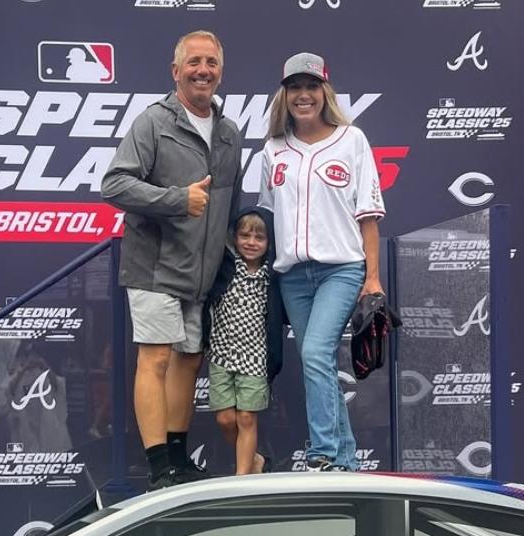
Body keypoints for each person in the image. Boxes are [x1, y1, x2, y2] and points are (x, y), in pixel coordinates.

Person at [101, 31, 243, 490]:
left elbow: (230, 205)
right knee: (157, 357)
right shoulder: (153, 122)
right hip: (155, 267)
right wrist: (177, 200)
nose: (203, 70)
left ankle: (179, 462)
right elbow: (115, 184)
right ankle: (159, 467)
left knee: (188, 360)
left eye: (211, 63)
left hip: (201, 274)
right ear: (176, 71)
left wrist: (226, 258)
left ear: (221, 71)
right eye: (194, 62)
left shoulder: (228, 132)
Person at [257, 52, 385, 472]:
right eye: (295, 87)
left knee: (313, 352)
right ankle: (346, 461)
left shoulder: (351, 140)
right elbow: (268, 215)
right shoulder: (273, 149)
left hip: (341, 269)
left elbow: (368, 215)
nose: (303, 95)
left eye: (311, 86)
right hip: (292, 275)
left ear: (324, 92)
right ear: (285, 95)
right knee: (320, 363)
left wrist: (372, 278)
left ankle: (323, 453)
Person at [204, 206, 284, 475]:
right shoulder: (224, 269)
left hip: (255, 357)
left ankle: (242, 478)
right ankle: (255, 461)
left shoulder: (272, 278)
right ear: (234, 238)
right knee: (226, 419)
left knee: (247, 418)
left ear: (270, 242)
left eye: (259, 238)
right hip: (221, 354)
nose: (251, 243)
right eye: (245, 236)